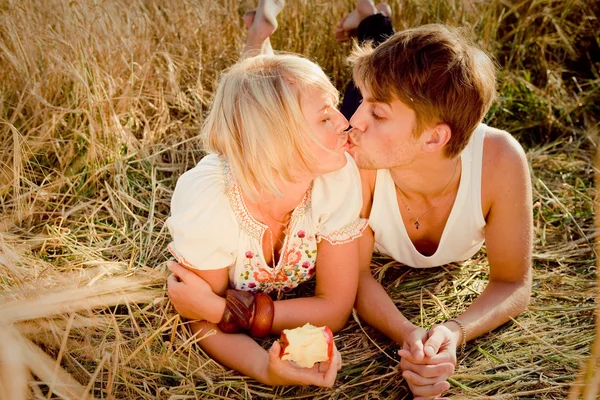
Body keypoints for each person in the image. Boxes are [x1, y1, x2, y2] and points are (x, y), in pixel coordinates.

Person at [165, 0, 368, 388]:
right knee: (253, 103)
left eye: (335, 110)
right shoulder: (211, 202)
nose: (346, 123)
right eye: (326, 117)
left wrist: (226, 309)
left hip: (269, 151)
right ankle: (256, 41)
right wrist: (264, 368)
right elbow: (198, 319)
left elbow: (335, 308)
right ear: (278, 140)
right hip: (248, 163)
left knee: (262, 92)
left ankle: (258, 41)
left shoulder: (337, 178)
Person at [337, 1, 533, 398]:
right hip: (383, 147)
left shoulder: (501, 161)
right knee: (368, 77)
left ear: (434, 138)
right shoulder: (355, 157)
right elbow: (354, 275)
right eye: (366, 107)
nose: (354, 122)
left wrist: (451, 332)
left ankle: (374, 21)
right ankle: (372, 20)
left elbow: (514, 282)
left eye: (377, 113)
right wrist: (410, 335)